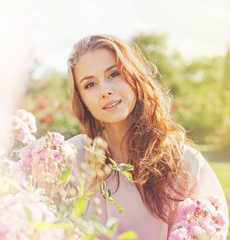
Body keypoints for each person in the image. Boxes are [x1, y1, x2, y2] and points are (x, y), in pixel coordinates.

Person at [66, 34, 229, 239]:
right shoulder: (72, 160)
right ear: (82, 101)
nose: (105, 90)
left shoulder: (187, 165)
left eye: (114, 74)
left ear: (134, 77)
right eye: (90, 84)